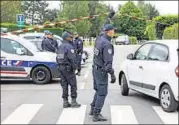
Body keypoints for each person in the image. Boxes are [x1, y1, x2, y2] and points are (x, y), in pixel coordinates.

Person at [90, 24, 116, 122]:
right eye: (113, 30)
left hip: (95, 68)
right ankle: (96, 114)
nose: (114, 32)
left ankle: (93, 109)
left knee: (98, 90)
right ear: (108, 32)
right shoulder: (107, 44)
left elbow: (102, 29)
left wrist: (108, 18)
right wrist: (112, 74)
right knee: (102, 93)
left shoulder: (99, 39)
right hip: (101, 71)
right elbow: (108, 63)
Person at [56, 31, 81, 108]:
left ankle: (65, 102)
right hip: (68, 68)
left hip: (61, 68)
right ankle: (74, 101)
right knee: (73, 84)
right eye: (70, 37)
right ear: (67, 38)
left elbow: (57, 57)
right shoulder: (69, 46)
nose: (71, 38)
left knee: (64, 85)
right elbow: (72, 58)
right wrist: (75, 68)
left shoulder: (60, 46)